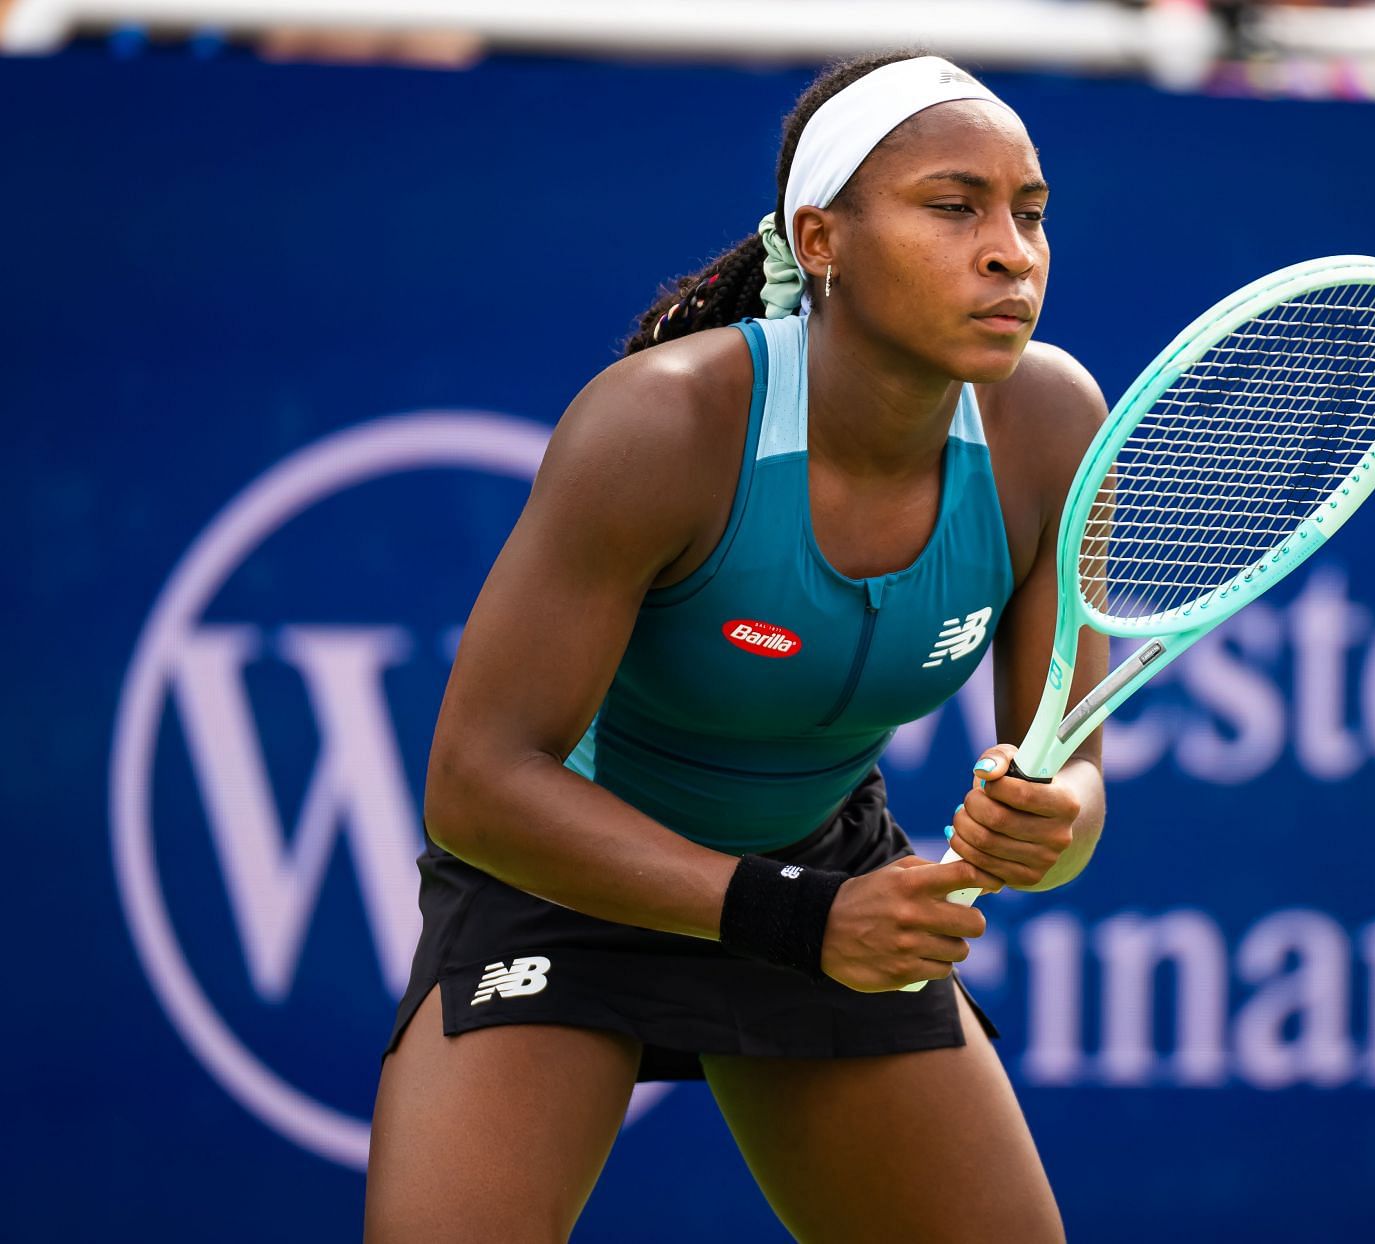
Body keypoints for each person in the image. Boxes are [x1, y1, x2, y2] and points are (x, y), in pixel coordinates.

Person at [364, 50, 1111, 1243]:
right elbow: (475, 783)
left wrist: (1054, 817)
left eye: (1030, 214)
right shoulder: (664, 424)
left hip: (823, 872)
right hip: (573, 885)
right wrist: (798, 920)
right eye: (953, 206)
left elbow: (1072, 774)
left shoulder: (1055, 424)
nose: (1011, 252)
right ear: (820, 241)